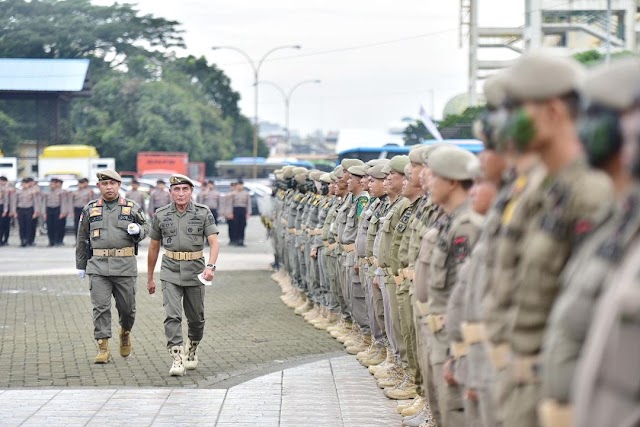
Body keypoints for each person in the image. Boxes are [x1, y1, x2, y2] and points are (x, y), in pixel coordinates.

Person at [147, 173, 220, 376]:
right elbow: (153, 247)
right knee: (173, 315)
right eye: (176, 190)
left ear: (191, 192)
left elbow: (214, 242)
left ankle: (193, 347)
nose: (180, 194)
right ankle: (177, 357)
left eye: (185, 189)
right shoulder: (160, 214)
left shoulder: (203, 213)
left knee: (196, 318)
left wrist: (211, 267)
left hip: (196, 270)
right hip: (170, 269)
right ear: (170, 192)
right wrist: (150, 277)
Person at [75, 170, 149, 364]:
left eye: (112, 184)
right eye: (105, 184)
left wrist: (138, 230)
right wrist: (81, 265)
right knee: (100, 307)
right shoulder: (90, 209)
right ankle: (103, 346)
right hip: (98, 267)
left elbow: (147, 226)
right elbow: (82, 238)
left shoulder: (132, 207)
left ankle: (125, 332)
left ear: (119, 185)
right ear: (99, 186)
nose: (109, 187)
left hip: (124, 266)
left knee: (127, 309)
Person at [11, 177, 40, 247]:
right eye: (23, 183)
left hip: (29, 210)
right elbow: (14, 202)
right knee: (21, 226)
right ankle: (22, 240)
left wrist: (36, 212)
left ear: (28, 184)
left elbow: (35, 202)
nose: (25, 185)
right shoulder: (18, 192)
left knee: (28, 226)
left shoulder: (32, 192)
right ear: (21, 184)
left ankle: (27, 240)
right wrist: (14, 212)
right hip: (20, 210)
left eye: (26, 184)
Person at [41, 177, 69, 246]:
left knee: (58, 226)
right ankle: (51, 241)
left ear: (56, 184)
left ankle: (57, 241)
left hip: (57, 209)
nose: (51, 185)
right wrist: (44, 213)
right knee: (50, 226)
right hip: (49, 210)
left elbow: (63, 203)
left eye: (53, 184)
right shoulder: (46, 192)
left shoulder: (61, 192)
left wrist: (63, 212)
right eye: (51, 184)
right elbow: (44, 203)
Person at [229, 179, 251, 246]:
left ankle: (241, 240)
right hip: (235, 210)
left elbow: (248, 204)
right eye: (239, 185)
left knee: (243, 225)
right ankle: (236, 240)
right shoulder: (233, 194)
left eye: (241, 185)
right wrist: (230, 212)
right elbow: (230, 204)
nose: (240, 186)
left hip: (243, 210)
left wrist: (248, 213)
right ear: (237, 186)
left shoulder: (246, 194)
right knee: (236, 225)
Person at [0, 176, 11, 246]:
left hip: (4, 208)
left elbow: (6, 200)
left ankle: (5, 240)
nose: (1, 182)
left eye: (3, 181)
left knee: (5, 225)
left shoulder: (7, 189)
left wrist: (5, 210)